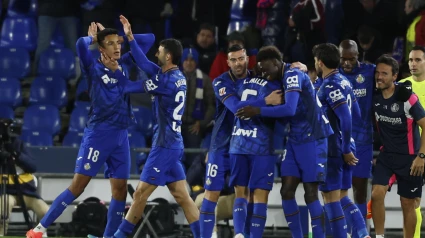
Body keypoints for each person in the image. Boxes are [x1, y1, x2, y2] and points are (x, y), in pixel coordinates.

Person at [26, 19, 155, 238]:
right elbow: (79, 45)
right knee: (78, 187)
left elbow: (149, 40)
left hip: (121, 136)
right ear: (101, 48)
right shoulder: (92, 67)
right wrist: (93, 39)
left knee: (121, 190)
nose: (117, 48)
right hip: (98, 135)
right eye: (111, 44)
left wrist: (126, 36)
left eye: (118, 44)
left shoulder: (122, 62)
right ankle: (39, 229)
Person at [112, 16, 201, 238]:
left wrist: (113, 69)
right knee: (182, 196)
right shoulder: (174, 76)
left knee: (140, 193)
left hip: (164, 146)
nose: (155, 53)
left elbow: (129, 87)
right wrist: (130, 38)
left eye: (159, 51)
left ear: (168, 56)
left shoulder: (165, 82)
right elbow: (144, 63)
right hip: (172, 143)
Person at [236, 45, 333, 238]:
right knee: (286, 191)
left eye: (265, 68)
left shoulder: (292, 75)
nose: (263, 73)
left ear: (275, 63)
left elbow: (289, 109)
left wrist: (257, 110)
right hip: (295, 139)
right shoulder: (282, 76)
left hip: (313, 137)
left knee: (310, 193)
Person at [199, 44, 282, 238]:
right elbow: (236, 107)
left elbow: (278, 72)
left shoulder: (258, 78)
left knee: (248, 193)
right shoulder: (221, 82)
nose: (238, 63)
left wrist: (297, 67)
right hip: (221, 145)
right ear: (227, 62)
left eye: (241, 58)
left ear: (247, 59)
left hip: (247, 144)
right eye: (234, 60)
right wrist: (265, 101)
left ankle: (244, 234)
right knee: (211, 193)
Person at [313, 43, 370, 238]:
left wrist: (344, 148)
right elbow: (358, 113)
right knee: (344, 197)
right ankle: (363, 234)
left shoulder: (330, 86)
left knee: (330, 198)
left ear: (320, 62)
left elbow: (346, 117)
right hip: (345, 143)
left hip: (333, 148)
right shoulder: (344, 81)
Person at [371, 54, 425, 238]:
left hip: (410, 158)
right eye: (377, 73)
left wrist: (421, 156)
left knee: (408, 203)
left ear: (394, 77)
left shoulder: (406, 98)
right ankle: (379, 236)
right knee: (377, 194)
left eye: (384, 74)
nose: (379, 77)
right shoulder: (374, 95)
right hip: (387, 156)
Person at [228, 68, 282, 238]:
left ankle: (239, 234)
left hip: (238, 142)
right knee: (260, 196)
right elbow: (285, 111)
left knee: (241, 194)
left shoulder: (240, 83)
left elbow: (236, 107)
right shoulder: (275, 86)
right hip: (262, 145)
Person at [338, 40, 375, 229]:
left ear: (357, 56)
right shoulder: (333, 76)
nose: (346, 63)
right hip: (338, 141)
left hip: (363, 141)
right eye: (343, 59)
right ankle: (344, 231)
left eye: (350, 59)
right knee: (340, 191)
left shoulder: (369, 72)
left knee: (360, 190)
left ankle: (361, 231)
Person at [0, 121, 49, 236]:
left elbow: (32, 167)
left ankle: (40, 234)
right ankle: (1, 233)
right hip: (6, 192)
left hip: (26, 193)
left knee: (46, 212)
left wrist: (16, 155)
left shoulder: (20, 145)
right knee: (3, 209)